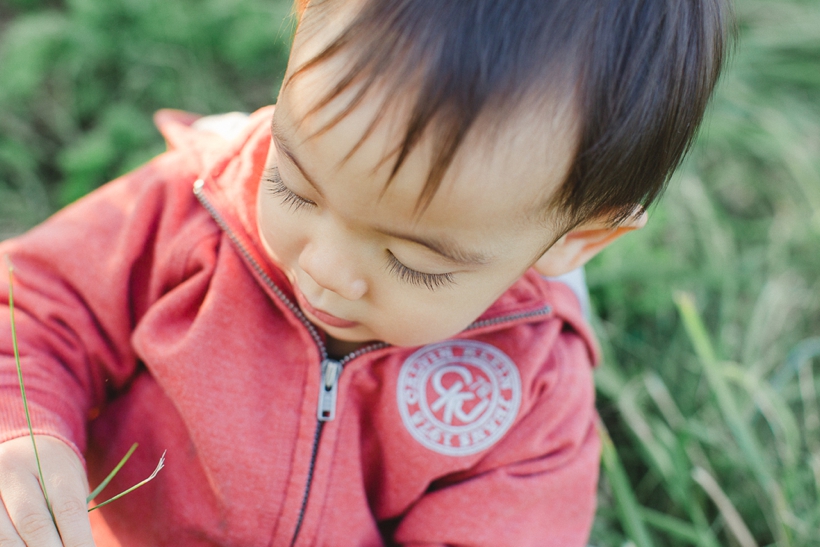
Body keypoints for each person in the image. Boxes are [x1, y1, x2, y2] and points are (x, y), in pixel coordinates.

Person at [0, 0, 732, 545]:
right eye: (294, 185)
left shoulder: (530, 395)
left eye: (412, 258)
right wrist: (22, 434)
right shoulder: (189, 204)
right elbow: (31, 307)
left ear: (580, 239)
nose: (324, 268)